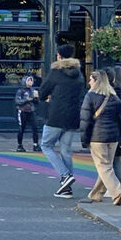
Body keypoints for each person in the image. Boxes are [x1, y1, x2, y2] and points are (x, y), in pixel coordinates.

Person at [78, 67, 121, 204]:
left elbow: (85, 121)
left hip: (97, 137)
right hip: (113, 138)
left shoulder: (90, 96)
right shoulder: (114, 98)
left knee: (104, 167)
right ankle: (95, 195)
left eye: (90, 80)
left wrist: (84, 140)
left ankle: (117, 192)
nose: (89, 82)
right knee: (106, 167)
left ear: (96, 81)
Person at [39, 44, 85, 198]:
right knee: (66, 150)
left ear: (59, 56)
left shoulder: (55, 72)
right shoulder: (79, 74)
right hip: (73, 116)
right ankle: (66, 188)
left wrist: (47, 96)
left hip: (56, 116)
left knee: (46, 145)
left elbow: (42, 92)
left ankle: (65, 175)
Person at [15, 74, 41, 153]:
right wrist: (27, 100)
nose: (30, 82)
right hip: (22, 111)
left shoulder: (33, 90)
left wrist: (36, 99)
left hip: (31, 111)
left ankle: (35, 144)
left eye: (31, 80)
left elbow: (36, 102)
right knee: (21, 128)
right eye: (29, 80)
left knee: (35, 127)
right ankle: (20, 145)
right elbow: (18, 101)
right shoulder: (20, 91)